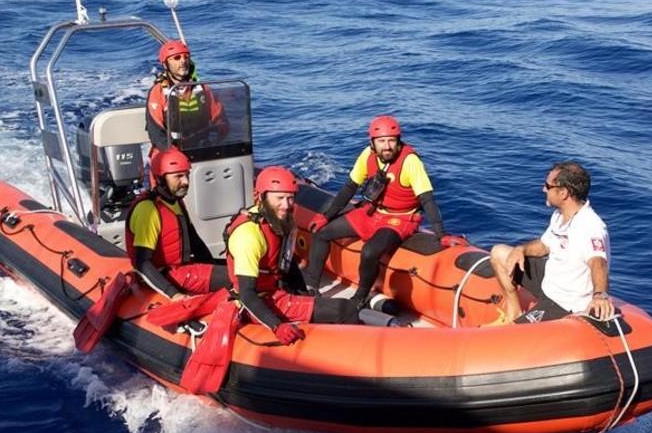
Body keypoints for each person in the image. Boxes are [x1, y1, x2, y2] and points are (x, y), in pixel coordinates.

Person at [303, 115, 466, 308]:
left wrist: (441, 235)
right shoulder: (367, 155)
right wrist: (326, 216)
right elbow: (349, 188)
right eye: (381, 141)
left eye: (391, 140)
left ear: (398, 141)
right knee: (322, 233)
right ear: (372, 143)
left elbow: (427, 199)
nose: (387, 146)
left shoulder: (410, 162)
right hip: (372, 212)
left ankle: (359, 298)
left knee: (370, 251)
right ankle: (312, 287)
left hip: (400, 218)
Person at [225, 166, 360, 344]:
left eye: (290, 198)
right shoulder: (249, 236)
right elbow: (247, 295)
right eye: (279, 198)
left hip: (274, 291)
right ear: (261, 197)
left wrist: (305, 296)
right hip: (258, 302)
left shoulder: (279, 222)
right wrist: (277, 326)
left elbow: (288, 266)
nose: (286, 205)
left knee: (326, 306)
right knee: (346, 309)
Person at [488, 161, 614, 324]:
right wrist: (521, 249)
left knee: (512, 336)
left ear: (563, 193)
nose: (543, 189)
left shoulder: (590, 227)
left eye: (548, 186)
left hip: (564, 302)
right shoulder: (560, 215)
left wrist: (600, 296)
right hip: (550, 280)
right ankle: (514, 312)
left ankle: (517, 324)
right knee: (499, 253)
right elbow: (544, 245)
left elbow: (598, 263)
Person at [124, 148, 229, 300]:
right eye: (178, 176)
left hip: (184, 268)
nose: (185, 182)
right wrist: (174, 294)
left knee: (244, 270)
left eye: (187, 175)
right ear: (160, 179)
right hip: (168, 275)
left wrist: (213, 267)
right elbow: (142, 263)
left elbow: (195, 242)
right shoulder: (148, 210)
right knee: (239, 278)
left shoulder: (176, 202)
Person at [145, 40, 228, 152]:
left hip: (201, 147)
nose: (183, 61)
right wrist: (172, 152)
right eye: (177, 58)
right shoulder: (158, 92)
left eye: (186, 57)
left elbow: (219, 119)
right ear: (165, 64)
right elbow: (155, 132)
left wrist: (219, 141)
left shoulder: (202, 89)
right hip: (169, 150)